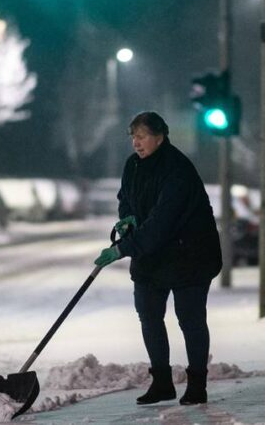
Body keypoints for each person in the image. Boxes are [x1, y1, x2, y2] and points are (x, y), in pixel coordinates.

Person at [94, 111, 222, 406]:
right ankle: (162, 382)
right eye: (133, 137)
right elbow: (125, 197)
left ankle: (197, 385)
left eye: (142, 136)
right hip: (153, 255)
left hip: (190, 254)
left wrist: (122, 249)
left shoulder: (177, 170)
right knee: (148, 315)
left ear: (160, 136)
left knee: (190, 319)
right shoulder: (133, 165)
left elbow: (162, 222)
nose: (136, 143)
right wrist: (126, 219)